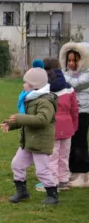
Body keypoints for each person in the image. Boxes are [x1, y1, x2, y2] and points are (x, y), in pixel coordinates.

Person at [1, 67, 58, 205]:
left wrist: (20, 118)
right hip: (28, 142)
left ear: (34, 85)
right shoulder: (30, 99)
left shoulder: (45, 101)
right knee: (17, 164)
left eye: (25, 82)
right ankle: (22, 192)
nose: (23, 85)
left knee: (42, 170)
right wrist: (11, 124)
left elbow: (42, 120)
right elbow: (26, 120)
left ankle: (52, 195)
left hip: (40, 143)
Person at [33, 58, 77, 192]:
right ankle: (63, 180)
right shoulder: (69, 88)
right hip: (68, 127)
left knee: (51, 156)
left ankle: (51, 183)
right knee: (64, 155)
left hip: (52, 128)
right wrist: (74, 126)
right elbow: (74, 110)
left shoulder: (43, 90)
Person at [59, 42, 89, 188]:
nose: (71, 63)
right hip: (71, 112)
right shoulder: (68, 74)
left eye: (74, 60)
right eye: (69, 60)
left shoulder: (87, 74)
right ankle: (72, 170)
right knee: (70, 142)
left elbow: (74, 85)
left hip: (83, 111)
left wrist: (62, 77)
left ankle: (83, 174)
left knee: (80, 142)